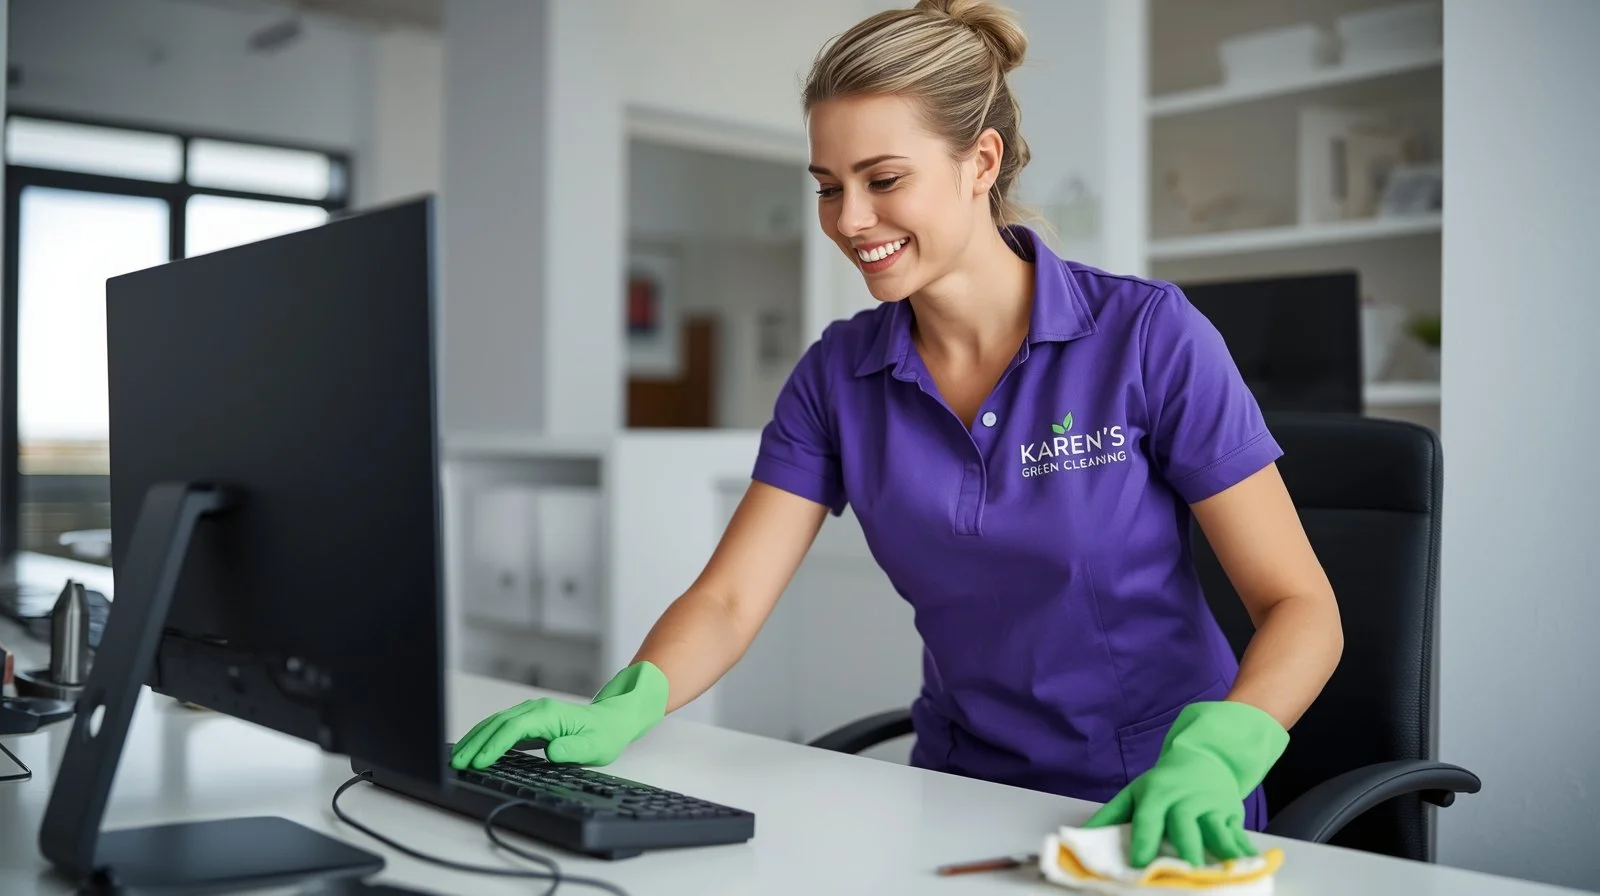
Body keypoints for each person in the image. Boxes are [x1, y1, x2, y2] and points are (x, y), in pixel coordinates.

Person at [450, 0, 1343, 870]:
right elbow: (727, 603)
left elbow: (1302, 609)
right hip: (956, 794)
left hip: (1155, 797)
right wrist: (626, 705)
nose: (849, 220)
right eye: (829, 188)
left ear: (981, 161)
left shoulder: (1146, 338)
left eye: (884, 180)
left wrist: (1219, 755)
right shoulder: (837, 377)